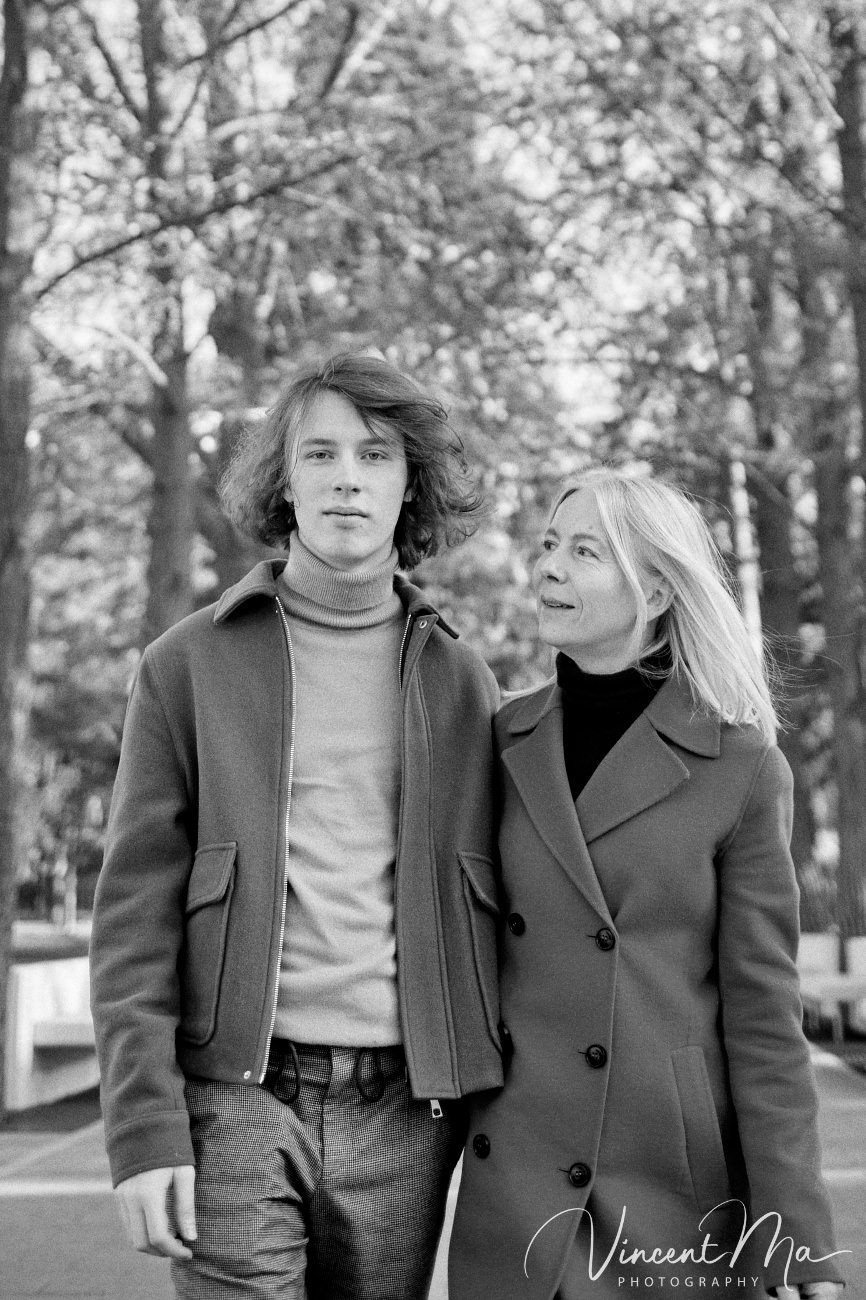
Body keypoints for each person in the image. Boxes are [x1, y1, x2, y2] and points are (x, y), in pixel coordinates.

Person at [90, 352, 503, 1300]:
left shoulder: (463, 685)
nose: (347, 477)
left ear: (412, 486)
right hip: (234, 1095)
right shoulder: (186, 666)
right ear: (286, 479)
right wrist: (143, 1129)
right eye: (319, 454)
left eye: (375, 455)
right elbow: (132, 923)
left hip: (409, 1107)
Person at [449, 467, 846, 1300]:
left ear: (658, 587)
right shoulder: (496, 741)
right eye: (549, 545)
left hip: (668, 1191)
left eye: (584, 552)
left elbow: (766, 1021)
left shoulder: (740, 767)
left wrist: (798, 1241)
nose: (549, 567)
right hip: (517, 1179)